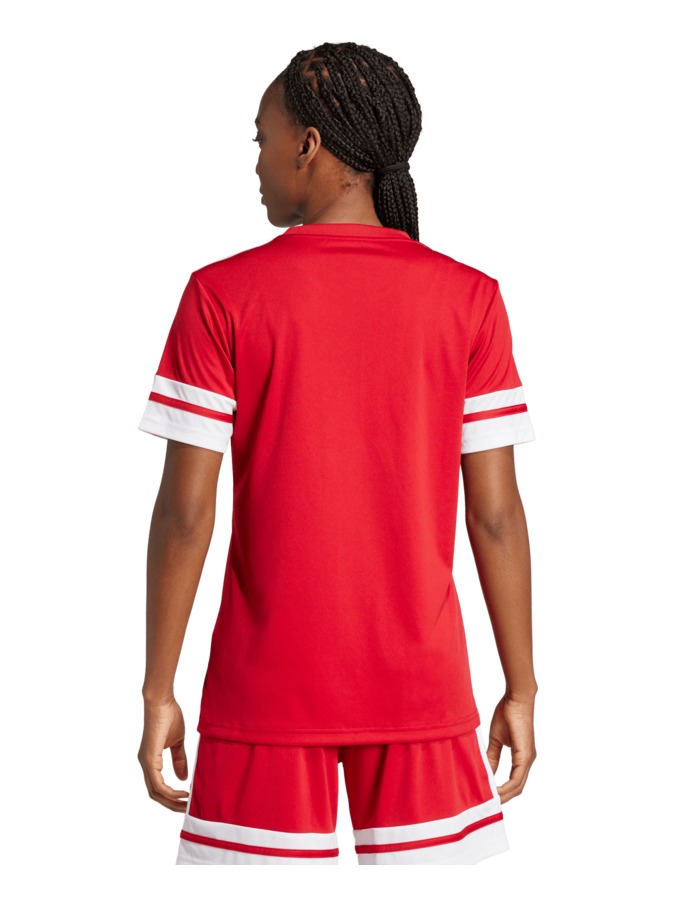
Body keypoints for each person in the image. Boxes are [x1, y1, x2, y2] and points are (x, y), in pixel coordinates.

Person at [137, 41, 538, 866]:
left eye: (262, 139)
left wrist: (157, 689)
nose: (255, 161)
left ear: (308, 146)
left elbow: (185, 513)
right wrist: (521, 686)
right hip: (422, 691)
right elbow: (495, 516)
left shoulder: (221, 295)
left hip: (263, 695)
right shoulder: (469, 298)